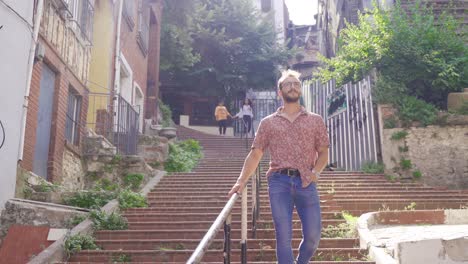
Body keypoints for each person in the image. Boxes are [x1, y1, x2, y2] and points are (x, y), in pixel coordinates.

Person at [228, 70, 329, 264]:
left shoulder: (315, 120)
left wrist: (316, 171)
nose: (293, 87)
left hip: (306, 181)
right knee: (283, 237)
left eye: (296, 84)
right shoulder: (268, 123)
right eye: (288, 84)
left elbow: (324, 152)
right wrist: (241, 181)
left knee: (313, 237)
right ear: (279, 92)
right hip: (279, 182)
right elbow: (256, 154)